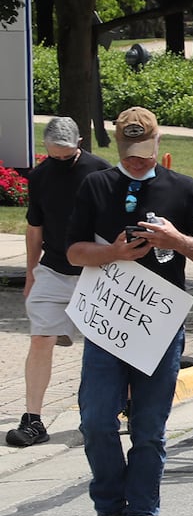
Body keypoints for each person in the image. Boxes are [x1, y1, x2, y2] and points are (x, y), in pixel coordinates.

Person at [68, 107, 193, 516]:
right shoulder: (97, 185)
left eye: (145, 152)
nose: (137, 161)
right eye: (129, 153)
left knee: (149, 430)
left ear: (158, 146)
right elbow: (74, 251)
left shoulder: (181, 188)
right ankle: (108, 510)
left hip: (159, 324)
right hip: (108, 322)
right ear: (118, 147)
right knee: (96, 421)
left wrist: (176, 240)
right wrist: (113, 251)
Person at [6, 118, 111, 449]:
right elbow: (34, 227)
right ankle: (33, 419)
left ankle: (125, 405)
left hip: (95, 271)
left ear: (79, 142)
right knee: (40, 339)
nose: (61, 161)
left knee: (110, 345)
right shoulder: (40, 176)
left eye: (67, 156)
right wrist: (30, 272)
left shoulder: (100, 172)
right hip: (53, 268)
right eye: (55, 156)